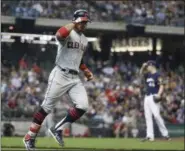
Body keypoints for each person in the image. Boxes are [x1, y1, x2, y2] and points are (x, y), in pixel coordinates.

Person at [23, 9, 93, 150]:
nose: (85, 24)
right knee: (46, 107)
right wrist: (74, 22)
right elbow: (59, 34)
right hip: (60, 74)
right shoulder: (69, 32)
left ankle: (57, 128)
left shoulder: (84, 39)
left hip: (74, 77)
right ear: (77, 20)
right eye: (83, 21)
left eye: (86, 22)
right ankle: (29, 137)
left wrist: (85, 70)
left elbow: (78, 58)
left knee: (83, 106)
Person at [139, 60, 171, 141]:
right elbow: (141, 73)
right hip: (147, 97)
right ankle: (150, 136)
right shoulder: (148, 75)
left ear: (152, 65)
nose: (147, 67)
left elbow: (161, 86)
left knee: (156, 116)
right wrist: (143, 66)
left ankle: (166, 134)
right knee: (148, 117)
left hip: (154, 97)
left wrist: (159, 95)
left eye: (148, 65)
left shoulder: (158, 75)